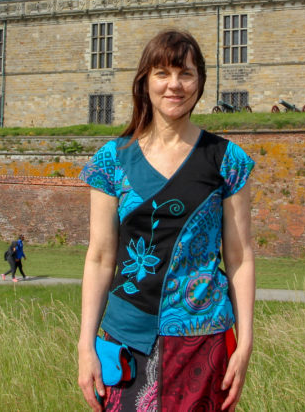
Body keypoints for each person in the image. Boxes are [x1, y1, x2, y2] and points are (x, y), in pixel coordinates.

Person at [77, 30, 255, 411]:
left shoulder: (228, 160)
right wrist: (84, 344)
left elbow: (240, 258)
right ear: (145, 81)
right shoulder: (112, 161)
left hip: (203, 341)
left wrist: (246, 342)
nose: (175, 85)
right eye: (162, 73)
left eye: (185, 74)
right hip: (126, 339)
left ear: (201, 82)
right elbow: (99, 258)